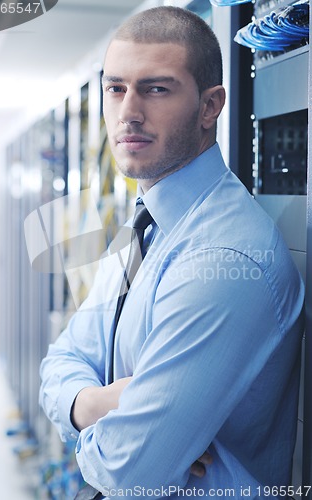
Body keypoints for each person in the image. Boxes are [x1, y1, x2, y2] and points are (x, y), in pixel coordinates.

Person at [39, 6, 305, 499]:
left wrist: (95, 419)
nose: (128, 112)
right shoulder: (146, 224)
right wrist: (99, 404)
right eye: (115, 88)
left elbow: (127, 471)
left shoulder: (225, 258)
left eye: (156, 88)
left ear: (210, 107)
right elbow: (62, 359)